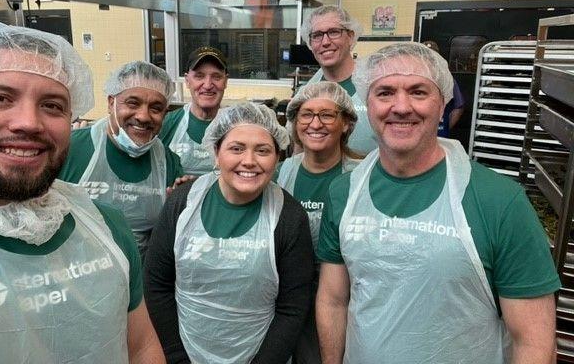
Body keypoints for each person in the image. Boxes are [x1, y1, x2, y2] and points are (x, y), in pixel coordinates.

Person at [0, 21, 164, 363]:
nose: (29, 122)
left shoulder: (108, 227)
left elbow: (142, 346)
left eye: (52, 105)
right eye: (0, 98)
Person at [316, 43, 560, 364]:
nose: (401, 107)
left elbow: (533, 342)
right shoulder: (344, 192)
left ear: (443, 102)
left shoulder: (499, 201)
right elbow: (333, 300)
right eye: (385, 92)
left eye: (418, 92)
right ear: (366, 102)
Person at [146, 102, 314, 363]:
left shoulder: (290, 218)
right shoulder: (182, 203)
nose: (249, 161)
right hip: (184, 353)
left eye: (263, 150)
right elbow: (157, 285)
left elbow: (292, 308)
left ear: (278, 156)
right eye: (236, 149)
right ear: (216, 151)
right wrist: (177, 357)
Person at [59, 61, 184, 261]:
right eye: (133, 103)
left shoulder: (168, 164)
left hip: (138, 284)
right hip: (77, 277)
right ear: (111, 103)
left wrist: (180, 202)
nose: (143, 116)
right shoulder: (71, 149)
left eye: (156, 108)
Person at [277, 81, 361, 364]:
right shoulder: (284, 170)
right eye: (306, 114)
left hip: (343, 298)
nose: (315, 123)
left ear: (346, 124)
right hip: (288, 296)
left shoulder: (361, 177)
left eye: (327, 115)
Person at [300, 5, 376, 154]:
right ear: (310, 42)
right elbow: (300, 150)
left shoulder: (375, 85)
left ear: (350, 36)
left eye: (334, 32)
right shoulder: (305, 94)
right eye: (317, 35)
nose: (325, 42)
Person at [160, 46, 228, 176]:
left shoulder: (237, 127)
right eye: (199, 76)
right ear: (187, 80)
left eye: (216, 77)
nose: (208, 85)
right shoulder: (168, 124)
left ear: (225, 81)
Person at [423, 40, 465, 137]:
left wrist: (445, 127)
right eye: (425, 55)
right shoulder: (413, 78)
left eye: (432, 56)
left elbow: (459, 107)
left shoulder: (448, 79)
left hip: (439, 134)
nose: (428, 59)